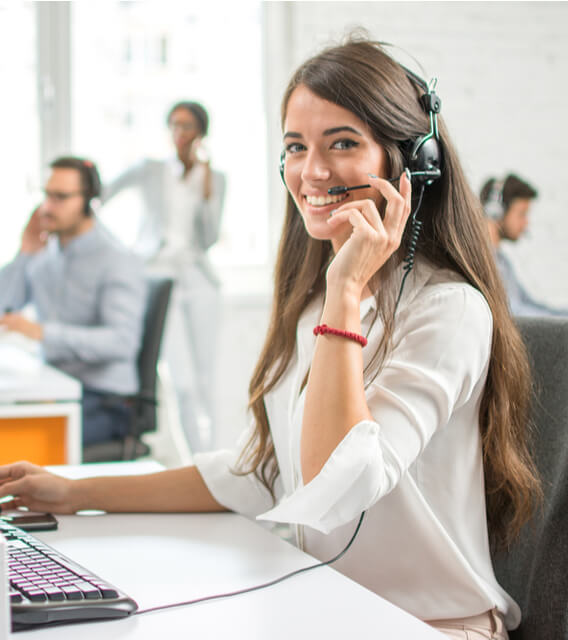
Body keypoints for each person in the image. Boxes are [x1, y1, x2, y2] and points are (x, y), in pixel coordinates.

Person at [0, 38, 541, 639]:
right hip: (333, 610)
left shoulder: (449, 310)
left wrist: (345, 291)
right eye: (294, 147)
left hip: (431, 626)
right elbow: (259, 471)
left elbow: (338, 487)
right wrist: (74, 492)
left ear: (411, 161)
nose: (311, 171)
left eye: (342, 143)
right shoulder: (316, 298)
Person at [101, 101, 226, 452]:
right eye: (173, 125)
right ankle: (192, 462)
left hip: (198, 279)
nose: (178, 134)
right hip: (158, 276)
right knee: (181, 381)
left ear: (200, 133)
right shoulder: (150, 170)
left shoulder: (214, 179)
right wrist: (126, 253)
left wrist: (206, 193)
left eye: (186, 126)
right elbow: (101, 195)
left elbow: (210, 237)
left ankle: (212, 458)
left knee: (205, 379)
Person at [0, 157, 146, 447]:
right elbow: (5, 306)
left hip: (105, 401)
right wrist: (25, 251)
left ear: (89, 200)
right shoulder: (45, 253)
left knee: (13, 445)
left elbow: (121, 342)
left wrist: (42, 333)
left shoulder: (116, 259)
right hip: (55, 388)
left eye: (60, 197)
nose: (48, 207)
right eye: (46, 195)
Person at [480, 173, 568, 316]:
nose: (526, 223)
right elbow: (515, 312)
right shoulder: (484, 262)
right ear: (496, 212)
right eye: (522, 214)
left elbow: (528, 303)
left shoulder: (502, 262)